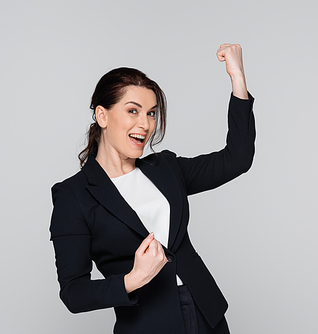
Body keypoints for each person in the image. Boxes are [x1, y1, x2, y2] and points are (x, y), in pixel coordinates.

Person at [50, 44, 255, 334]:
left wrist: (238, 79)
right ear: (102, 115)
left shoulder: (166, 169)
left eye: (151, 113)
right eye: (133, 111)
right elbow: (73, 292)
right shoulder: (73, 196)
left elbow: (238, 159)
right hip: (148, 324)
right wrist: (133, 279)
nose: (145, 124)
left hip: (206, 314)